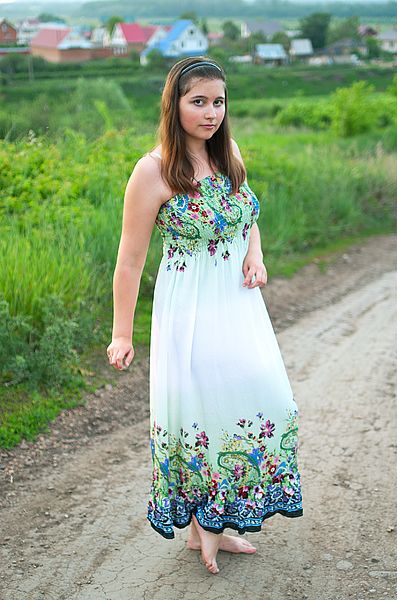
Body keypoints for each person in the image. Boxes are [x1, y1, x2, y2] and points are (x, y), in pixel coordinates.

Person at [107, 56, 303, 575]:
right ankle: (207, 531)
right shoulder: (153, 171)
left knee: (262, 395)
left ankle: (214, 524)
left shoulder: (230, 153)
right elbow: (129, 262)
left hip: (237, 303)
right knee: (200, 411)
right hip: (188, 308)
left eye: (218, 101)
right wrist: (121, 334)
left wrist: (255, 255)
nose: (211, 112)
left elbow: (247, 212)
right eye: (199, 102)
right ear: (174, 104)